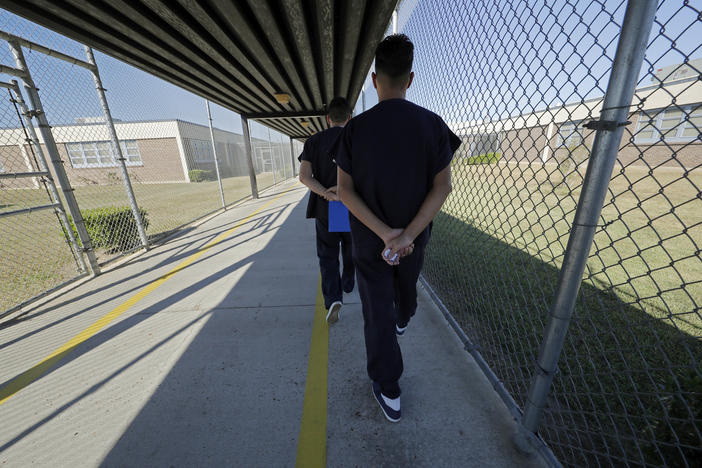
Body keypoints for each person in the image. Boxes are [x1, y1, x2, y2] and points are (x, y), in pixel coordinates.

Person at [335, 34, 460, 422]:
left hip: (370, 242)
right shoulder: (432, 125)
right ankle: (404, 314)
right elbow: (443, 186)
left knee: (377, 312)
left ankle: (389, 388)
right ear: (410, 78)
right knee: (405, 293)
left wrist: (384, 233)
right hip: (414, 238)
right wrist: (404, 235)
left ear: (375, 80)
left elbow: (344, 191)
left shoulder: (353, 130)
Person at [298, 96, 355, 324]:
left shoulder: (313, 142)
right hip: (352, 207)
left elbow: (304, 177)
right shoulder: (357, 139)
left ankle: (333, 298)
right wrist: (343, 192)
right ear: (349, 118)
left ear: (328, 118)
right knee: (352, 247)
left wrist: (327, 194)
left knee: (328, 255)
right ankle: (349, 280)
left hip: (327, 208)